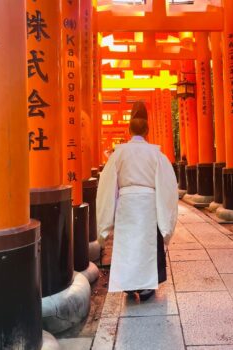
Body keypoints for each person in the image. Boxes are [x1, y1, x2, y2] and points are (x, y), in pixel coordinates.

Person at [96, 101, 178, 301]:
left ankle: (129, 285)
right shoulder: (156, 154)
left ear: (129, 129)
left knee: (127, 243)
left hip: (126, 204)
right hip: (148, 204)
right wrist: (165, 219)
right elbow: (168, 185)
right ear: (148, 129)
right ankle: (147, 286)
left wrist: (107, 220)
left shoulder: (119, 153)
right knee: (148, 243)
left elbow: (107, 185)